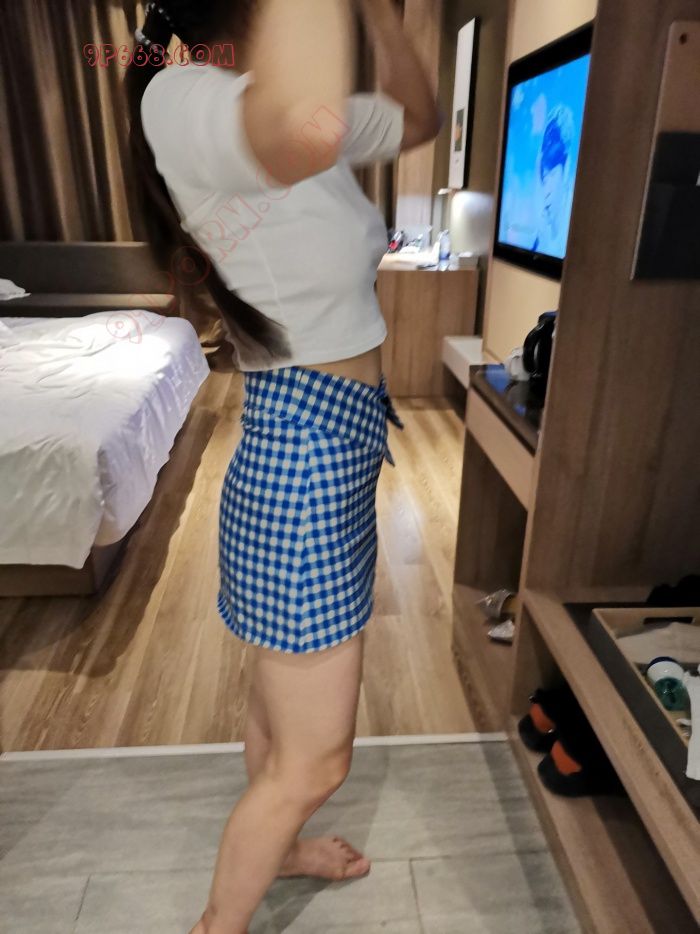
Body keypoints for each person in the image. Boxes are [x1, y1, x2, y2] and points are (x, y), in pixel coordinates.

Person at [125, 2, 443, 932]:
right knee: (317, 760)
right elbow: (288, 125)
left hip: (328, 447)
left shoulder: (290, 116)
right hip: (303, 457)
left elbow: (415, 119)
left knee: (279, 717)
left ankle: (287, 849)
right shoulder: (183, 98)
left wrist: (377, 14)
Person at [532, 103, 576, 259]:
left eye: (552, 176)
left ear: (566, 169)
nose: (546, 192)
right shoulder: (541, 237)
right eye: (544, 179)